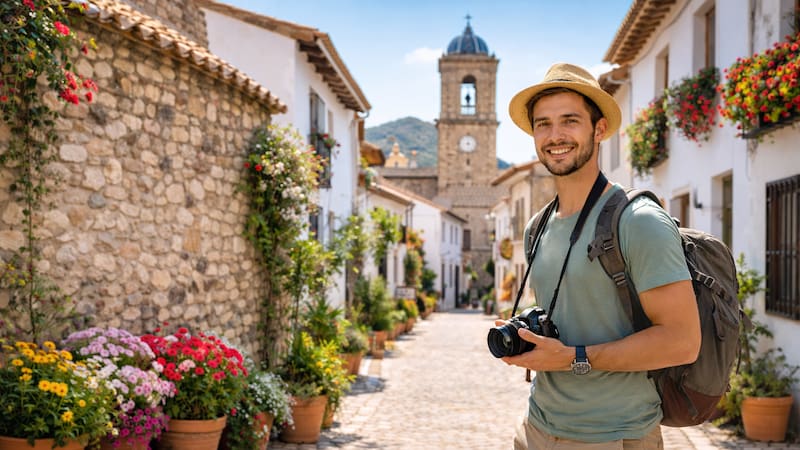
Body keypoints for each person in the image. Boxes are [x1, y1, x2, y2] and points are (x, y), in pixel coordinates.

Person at [499, 63, 702, 449]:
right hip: (537, 428)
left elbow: (682, 341)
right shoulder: (536, 228)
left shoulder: (639, 221)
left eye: (570, 121)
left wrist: (573, 357)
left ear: (599, 129)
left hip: (614, 434)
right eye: (543, 124)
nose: (555, 136)